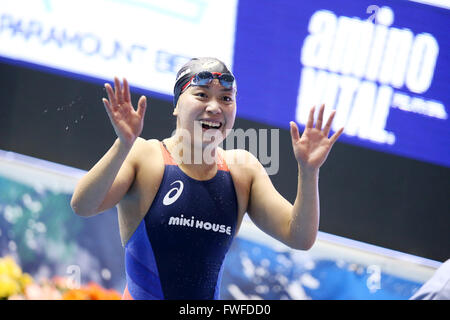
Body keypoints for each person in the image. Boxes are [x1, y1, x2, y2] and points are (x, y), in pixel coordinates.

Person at [70, 57, 344, 300]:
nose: (215, 107)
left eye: (226, 98)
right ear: (177, 105)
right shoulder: (146, 156)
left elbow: (300, 238)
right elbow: (83, 205)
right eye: (201, 95)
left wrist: (309, 172)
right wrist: (123, 144)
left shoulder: (242, 171)